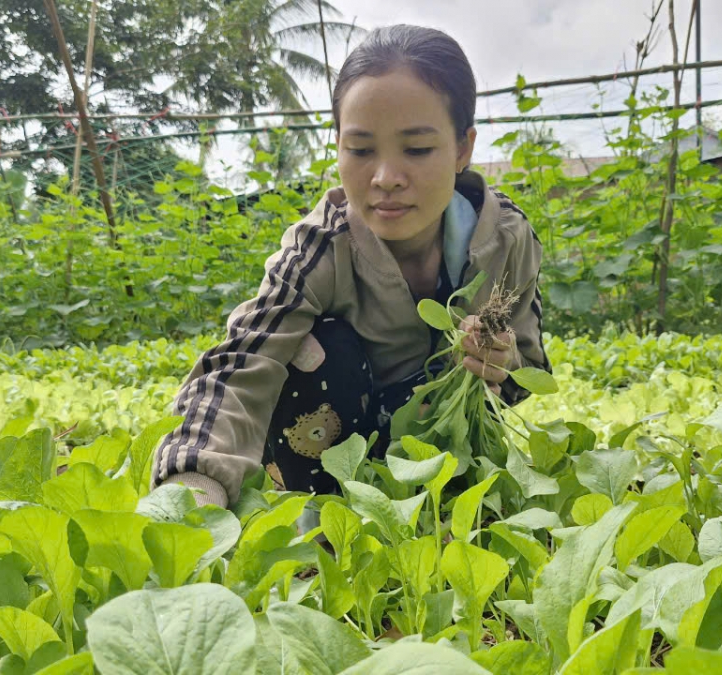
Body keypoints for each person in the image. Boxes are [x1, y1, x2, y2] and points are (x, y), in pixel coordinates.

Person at [151, 24, 551, 509]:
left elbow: (529, 369)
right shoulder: (320, 248)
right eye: (360, 150)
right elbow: (244, 363)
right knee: (316, 349)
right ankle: (324, 520)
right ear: (338, 144)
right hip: (333, 451)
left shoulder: (507, 238)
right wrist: (190, 489)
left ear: (463, 148)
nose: (385, 179)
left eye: (418, 149)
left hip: (444, 456)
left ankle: (443, 505)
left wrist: (501, 365)